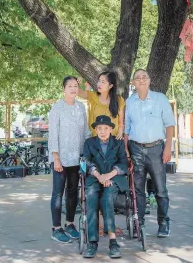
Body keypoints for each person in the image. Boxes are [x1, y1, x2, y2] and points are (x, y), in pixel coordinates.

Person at [124, 69, 176, 237]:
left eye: (144, 77)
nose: (141, 80)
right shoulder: (129, 102)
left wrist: (168, 148)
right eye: (137, 78)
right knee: (138, 189)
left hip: (156, 149)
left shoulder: (160, 99)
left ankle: (163, 222)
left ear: (149, 80)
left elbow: (169, 125)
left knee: (160, 188)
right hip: (136, 148)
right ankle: (140, 224)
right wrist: (126, 150)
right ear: (133, 82)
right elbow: (126, 129)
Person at [78, 71, 125, 236]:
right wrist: (75, 82)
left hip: (112, 146)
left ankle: (108, 228)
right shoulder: (92, 96)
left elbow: (120, 123)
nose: (99, 83)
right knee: (93, 189)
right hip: (94, 146)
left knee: (107, 191)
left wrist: (120, 134)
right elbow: (76, 91)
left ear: (111, 85)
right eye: (99, 80)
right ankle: (96, 228)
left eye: (103, 81)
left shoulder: (118, 101)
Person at [48, 76, 91, 244]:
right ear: (63, 89)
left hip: (77, 157)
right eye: (70, 86)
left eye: (75, 86)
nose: (73, 89)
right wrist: (56, 158)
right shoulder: (57, 108)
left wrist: (88, 153)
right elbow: (52, 136)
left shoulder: (81, 107)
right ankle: (56, 228)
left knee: (73, 191)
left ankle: (70, 224)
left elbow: (86, 132)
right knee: (58, 192)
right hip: (60, 157)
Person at [83, 115, 128, 259]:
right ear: (95, 130)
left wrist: (108, 176)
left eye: (106, 128)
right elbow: (86, 161)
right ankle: (92, 242)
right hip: (95, 178)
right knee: (91, 195)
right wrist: (99, 176)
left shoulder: (118, 143)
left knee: (108, 195)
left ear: (111, 129)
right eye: (99, 128)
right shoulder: (89, 143)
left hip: (113, 178)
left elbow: (123, 164)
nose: (103, 131)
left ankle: (113, 241)